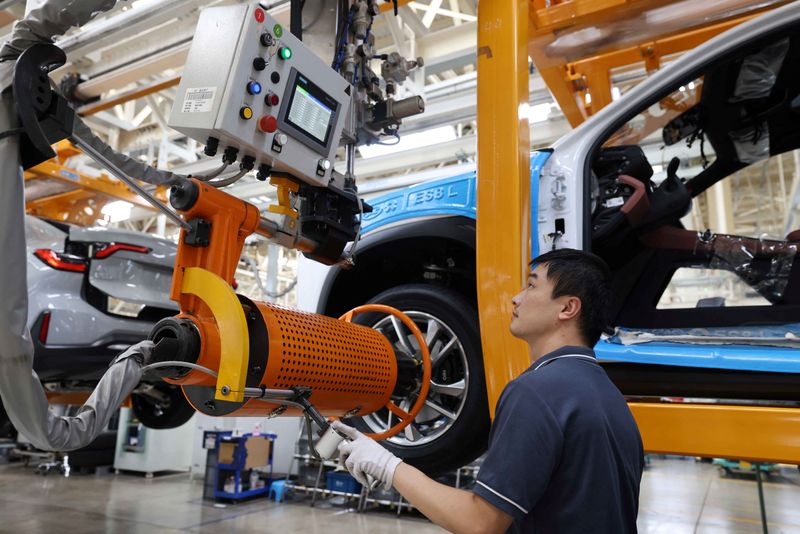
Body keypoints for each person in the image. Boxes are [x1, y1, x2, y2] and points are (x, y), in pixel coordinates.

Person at [333, 248, 644, 533]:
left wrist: (387, 466)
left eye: (532, 286)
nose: (516, 298)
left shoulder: (537, 391)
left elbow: (481, 522)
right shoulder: (611, 398)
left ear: (567, 307)